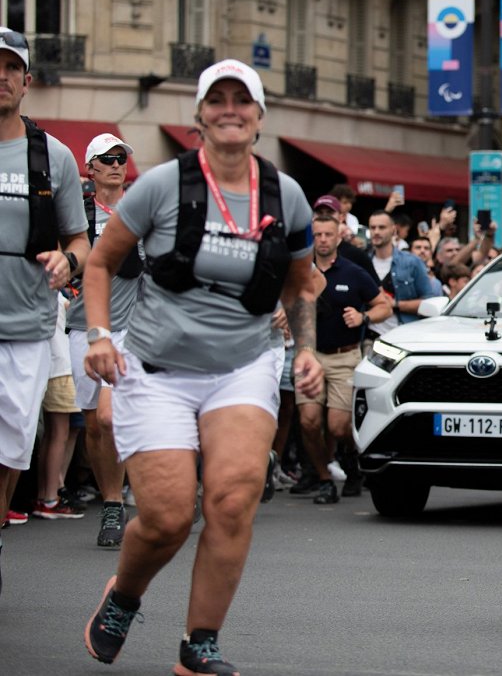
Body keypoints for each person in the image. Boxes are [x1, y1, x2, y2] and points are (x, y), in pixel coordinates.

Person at [81, 59, 323, 672]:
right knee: (165, 518)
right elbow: (101, 262)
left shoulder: (284, 194)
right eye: (217, 99)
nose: (230, 109)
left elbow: (302, 284)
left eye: (243, 100)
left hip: (242, 368)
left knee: (233, 499)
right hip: (158, 369)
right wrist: (100, 335)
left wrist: (308, 349)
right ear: (198, 115)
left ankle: (199, 644)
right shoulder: (162, 185)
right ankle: (125, 594)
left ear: (260, 116)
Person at [0, 26, 90, 597]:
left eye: (11, 68)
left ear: (27, 81)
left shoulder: (50, 156)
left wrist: (68, 264)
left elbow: (81, 240)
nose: (1, 76)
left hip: (28, 328)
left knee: (9, 447)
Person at [67, 133, 140, 547]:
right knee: (95, 424)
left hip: (136, 330)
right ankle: (113, 502)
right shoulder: (77, 217)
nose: (116, 164)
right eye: (107, 159)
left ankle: (130, 496)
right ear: (90, 168)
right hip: (87, 327)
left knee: (113, 417)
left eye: (121, 158)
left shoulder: (142, 211)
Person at [292, 214, 389, 503]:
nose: (322, 239)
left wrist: (364, 316)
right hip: (308, 355)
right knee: (308, 421)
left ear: (338, 238)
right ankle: (324, 478)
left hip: (344, 357)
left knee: (338, 426)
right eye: (317, 234)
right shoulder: (300, 271)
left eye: (327, 235)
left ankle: (351, 460)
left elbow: (384, 305)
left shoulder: (353, 272)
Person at [34, 295, 85, 520]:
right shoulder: (51, 292)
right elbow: (73, 308)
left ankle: (48, 495)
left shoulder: (46, 290)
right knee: (59, 435)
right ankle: (50, 498)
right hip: (61, 367)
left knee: (56, 434)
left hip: (55, 366)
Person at [363, 208, 435, 337]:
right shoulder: (363, 261)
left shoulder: (412, 262)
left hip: (403, 335)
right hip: (369, 335)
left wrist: (396, 304)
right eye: (372, 228)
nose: (376, 232)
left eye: (381, 227)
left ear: (393, 230)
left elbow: (429, 302)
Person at [312, 194, 373, 275]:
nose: (324, 217)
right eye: (320, 213)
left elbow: (375, 287)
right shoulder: (303, 253)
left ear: (342, 217)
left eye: (330, 213)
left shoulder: (357, 255)